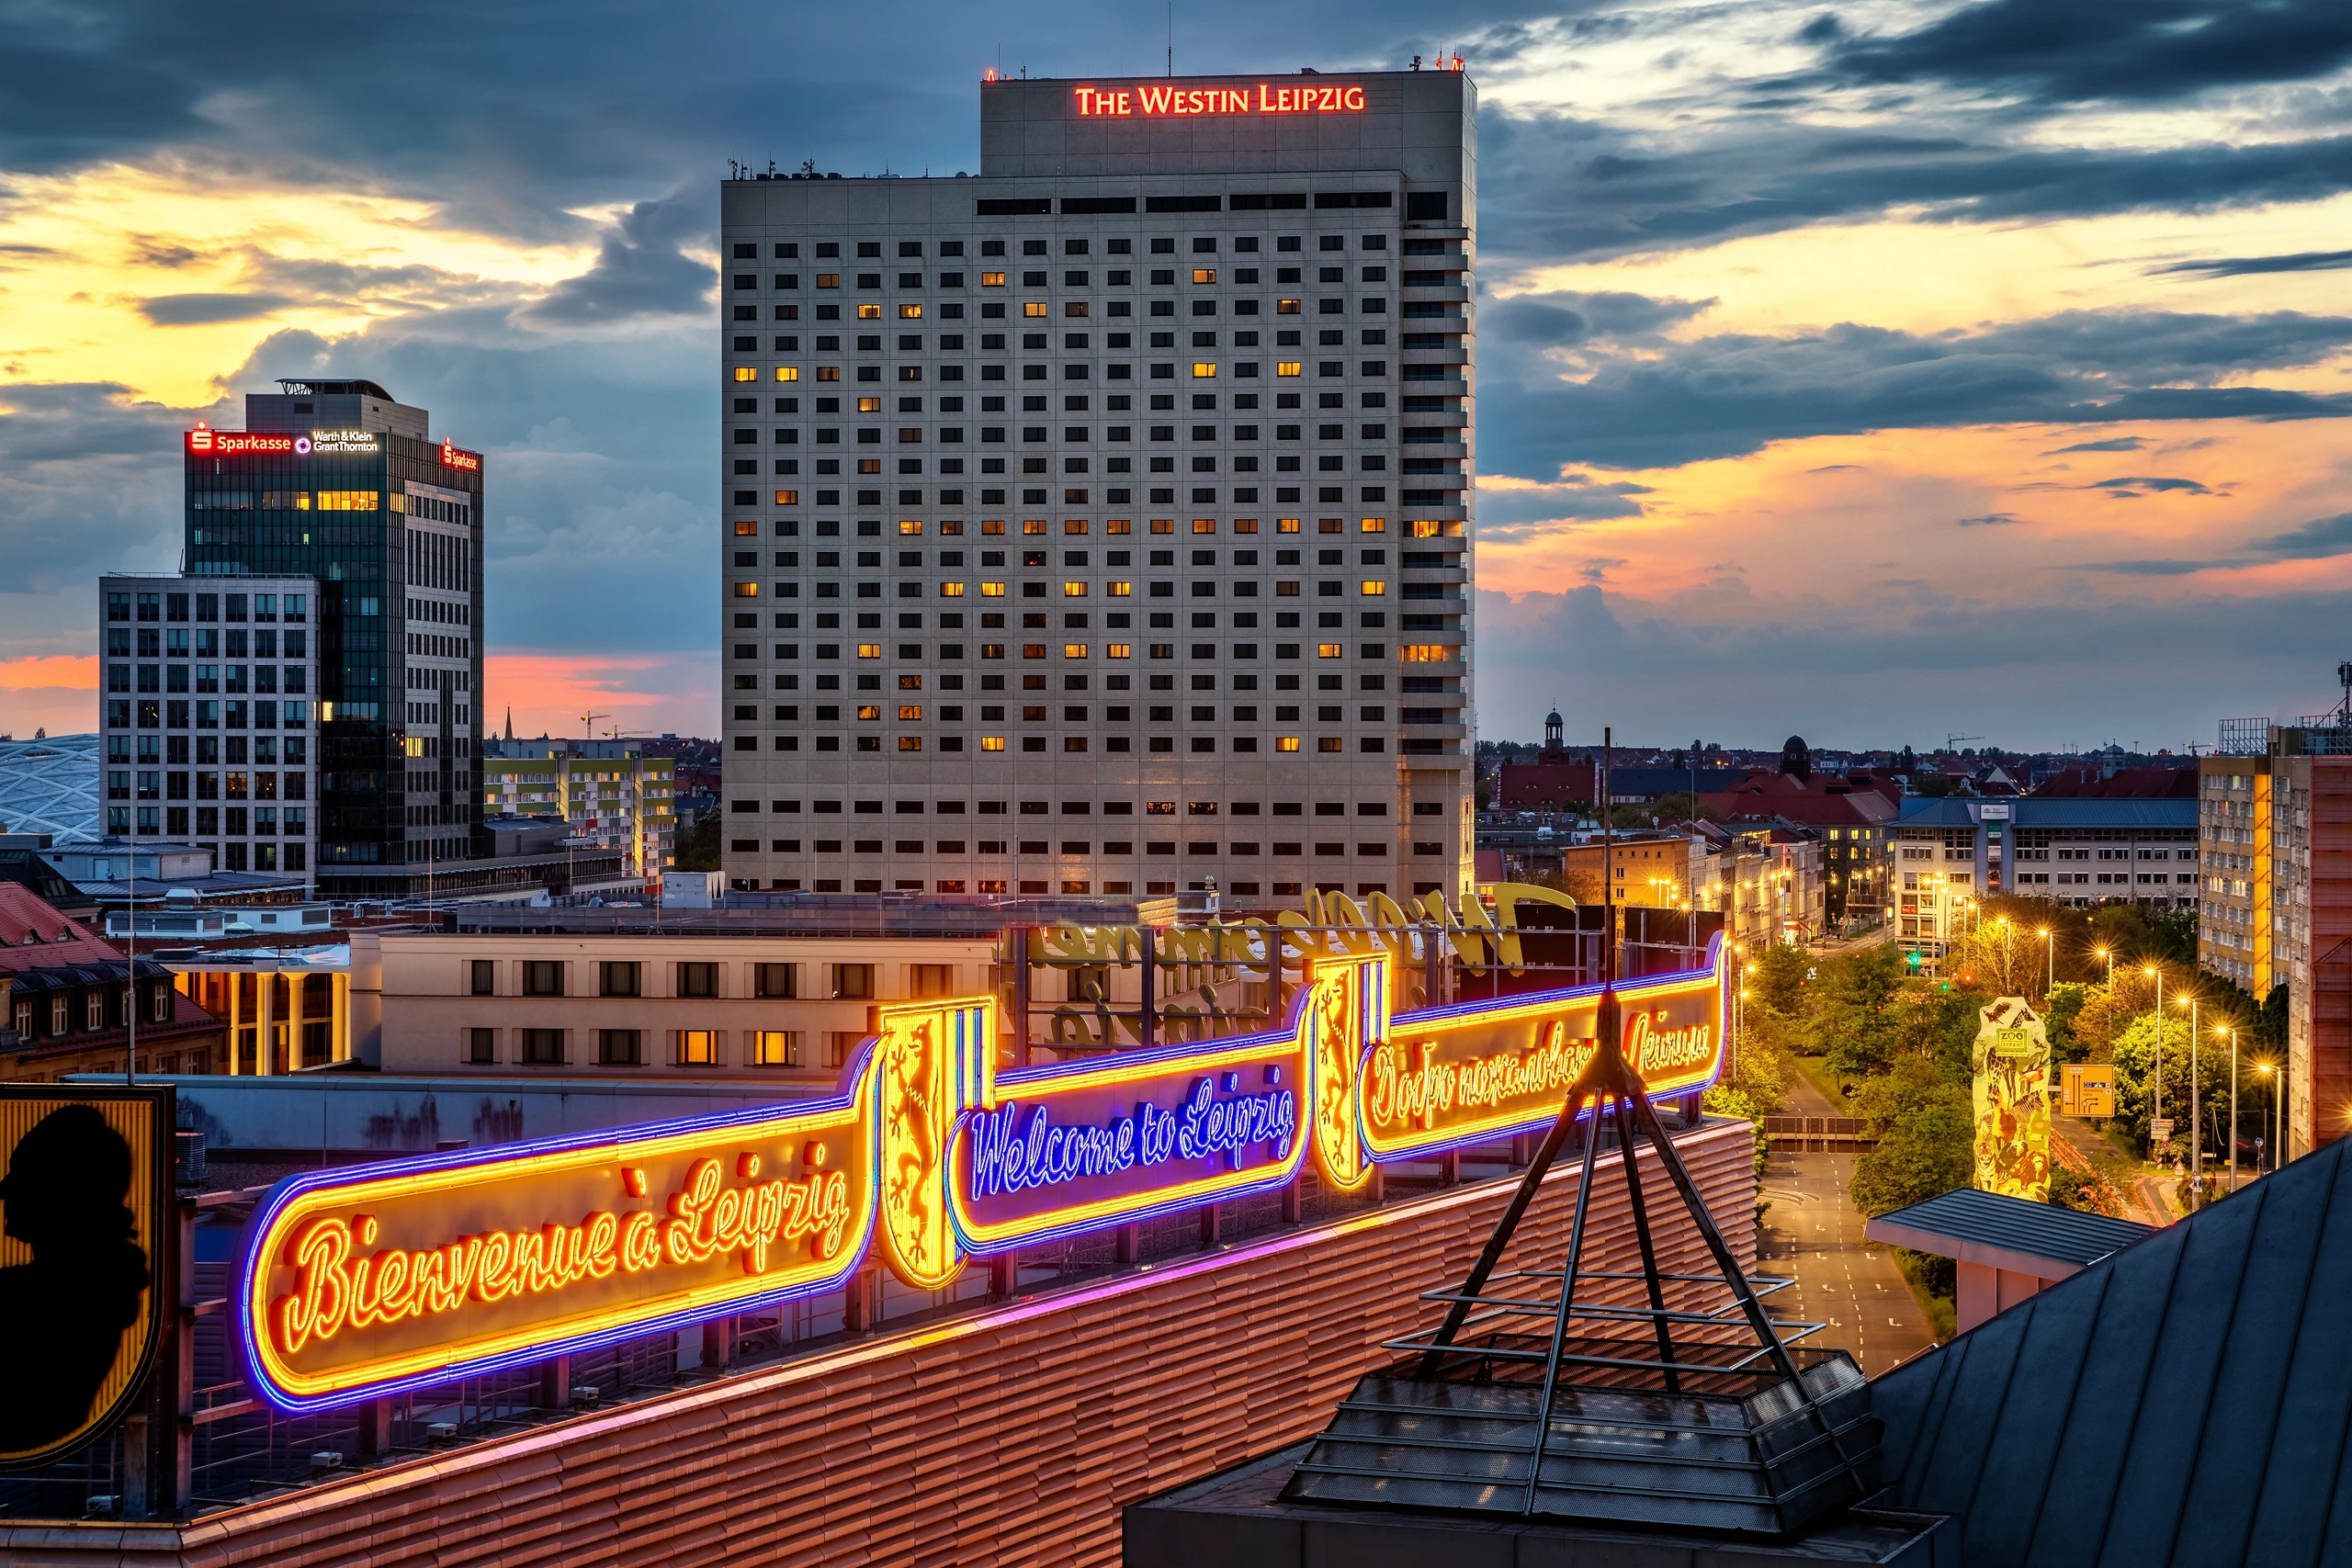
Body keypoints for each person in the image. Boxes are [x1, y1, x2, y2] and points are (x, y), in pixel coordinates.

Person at [0, 1104, 151, 1453]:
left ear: (63, 1197)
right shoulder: (99, 1286)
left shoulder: (41, 1300)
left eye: (23, 1178)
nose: (6, 1192)